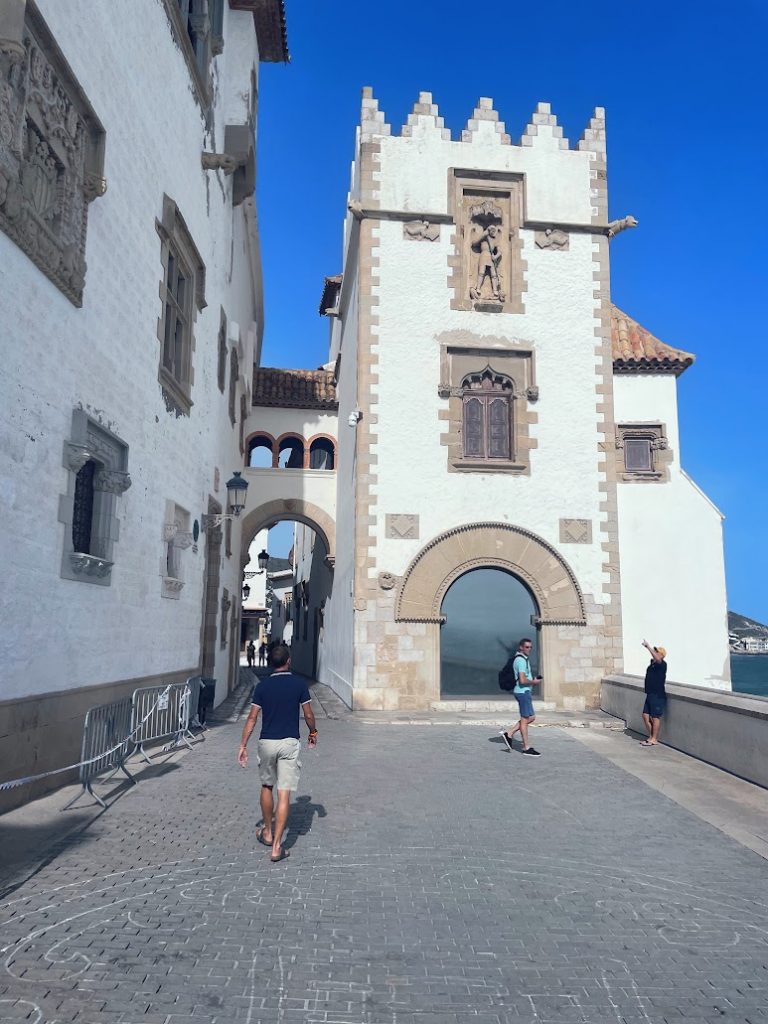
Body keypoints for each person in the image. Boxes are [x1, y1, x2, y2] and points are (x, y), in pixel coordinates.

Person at [237, 643, 317, 862]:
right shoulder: (299, 684)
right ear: (288, 661)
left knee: (266, 786)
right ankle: (277, 847)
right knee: (284, 792)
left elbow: (252, 718)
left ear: (271, 663)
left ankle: (267, 832)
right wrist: (313, 732)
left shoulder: (262, 687)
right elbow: (308, 714)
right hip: (289, 742)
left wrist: (243, 745)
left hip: (267, 742)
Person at [500, 638, 542, 756]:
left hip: (525, 692)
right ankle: (526, 748)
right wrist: (533, 682)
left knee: (531, 717)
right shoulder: (521, 661)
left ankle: (509, 734)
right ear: (521, 647)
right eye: (527, 647)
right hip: (522, 692)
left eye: (530, 647)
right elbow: (523, 680)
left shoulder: (523, 659)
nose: (529, 649)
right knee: (524, 720)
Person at [640, 640, 667, 746]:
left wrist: (648, 647)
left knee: (655, 717)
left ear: (661, 655)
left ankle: (654, 739)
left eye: (657, 652)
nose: (654, 653)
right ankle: (651, 736)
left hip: (658, 695)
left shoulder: (662, 664)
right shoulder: (652, 665)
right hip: (650, 694)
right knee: (645, 715)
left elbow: (657, 659)